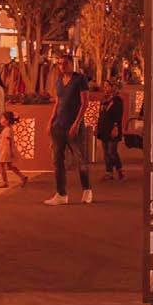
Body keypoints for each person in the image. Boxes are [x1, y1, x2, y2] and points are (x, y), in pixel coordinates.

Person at [44, 55, 91, 206]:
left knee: (80, 159)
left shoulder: (80, 79)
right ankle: (61, 194)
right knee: (57, 160)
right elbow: (58, 102)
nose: (62, 66)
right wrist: (51, 120)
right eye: (59, 64)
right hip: (59, 125)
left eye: (65, 63)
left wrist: (76, 124)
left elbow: (85, 103)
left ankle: (87, 190)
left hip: (74, 126)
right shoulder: (58, 80)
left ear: (72, 64)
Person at [96, 79, 125, 181]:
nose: (105, 88)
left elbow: (118, 115)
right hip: (104, 128)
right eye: (104, 86)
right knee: (106, 153)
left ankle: (120, 170)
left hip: (113, 128)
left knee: (112, 151)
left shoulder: (117, 100)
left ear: (113, 87)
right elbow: (101, 115)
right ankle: (109, 172)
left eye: (107, 86)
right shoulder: (104, 100)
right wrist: (98, 127)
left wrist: (115, 127)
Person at [0, 111, 28, 188]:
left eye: (2, 118)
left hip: (5, 151)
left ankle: (5, 182)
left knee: (1, 165)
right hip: (4, 150)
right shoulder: (7, 129)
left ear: (7, 121)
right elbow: (4, 138)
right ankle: (22, 177)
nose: (1, 120)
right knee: (10, 166)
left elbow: (9, 141)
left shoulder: (8, 129)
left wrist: (10, 151)